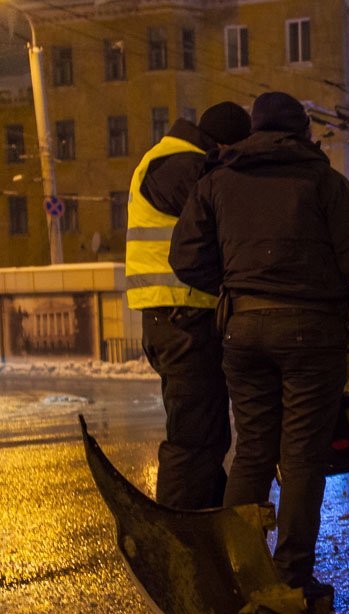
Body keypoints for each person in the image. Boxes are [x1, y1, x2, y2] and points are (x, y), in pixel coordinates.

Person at [170, 91, 349, 599]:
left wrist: (234, 282)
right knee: (300, 458)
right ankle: (291, 576)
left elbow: (185, 259)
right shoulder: (324, 182)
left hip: (243, 331)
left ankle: (239, 572)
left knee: (251, 451)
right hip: (312, 335)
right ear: (303, 133)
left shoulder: (217, 181)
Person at [126, 102, 251, 510]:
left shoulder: (174, 160)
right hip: (180, 318)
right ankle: (179, 540)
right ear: (224, 145)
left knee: (208, 436)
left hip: (178, 318)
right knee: (193, 439)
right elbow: (225, 217)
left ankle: (205, 531)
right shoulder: (180, 165)